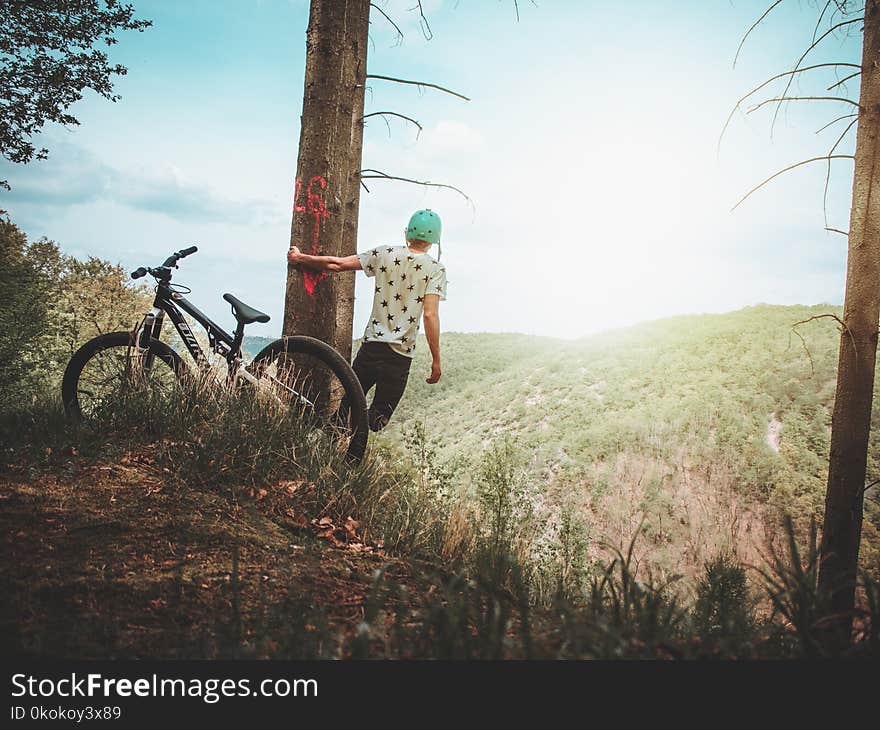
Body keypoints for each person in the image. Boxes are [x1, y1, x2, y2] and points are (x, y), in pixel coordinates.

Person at [287, 209, 447, 431]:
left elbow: (337, 264)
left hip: (371, 348)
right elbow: (430, 314)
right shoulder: (435, 269)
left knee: (346, 411)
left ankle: (326, 443)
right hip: (400, 356)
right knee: (378, 420)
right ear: (434, 241)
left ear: (407, 233)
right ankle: (345, 451)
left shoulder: (384, 253)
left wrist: (300, 258)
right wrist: (436, 359)